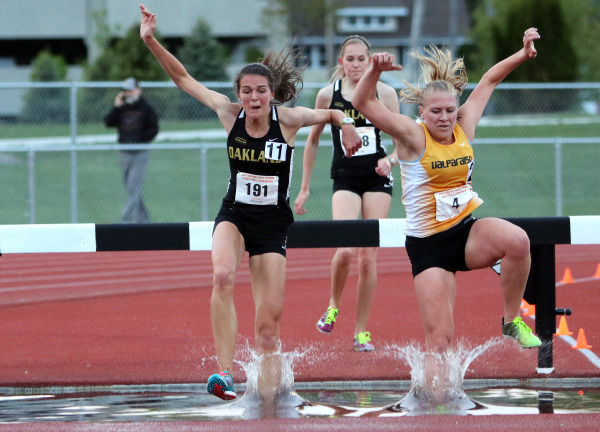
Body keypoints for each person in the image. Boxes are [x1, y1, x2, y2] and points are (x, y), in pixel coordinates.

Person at [139, 4, 361, 402]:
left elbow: (331, 112)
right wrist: (152, 41)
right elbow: (184, 79)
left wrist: (345, 128)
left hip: (273, 225)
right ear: (239, 94)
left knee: (267, 329)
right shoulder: (229, 114)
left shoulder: (288, 120)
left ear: (271, 94)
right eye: (247, 91)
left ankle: (271, 397)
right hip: (235, 216)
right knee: (222, 275)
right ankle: (224, 371)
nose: (254, 98)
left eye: (261, 91)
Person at [352, 28, 543, 356]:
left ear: (457, 110)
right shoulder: (412, 136)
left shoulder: (463, 124)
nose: (444, 118)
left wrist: (523, 53)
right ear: (422, 113)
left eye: (449, 111)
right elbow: (362, 102)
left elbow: (489, 81)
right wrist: (373, 71)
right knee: (441, 341)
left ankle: (512, 319)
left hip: (466, 233)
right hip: (428, 247)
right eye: (436, 111)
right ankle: (432, 397)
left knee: (518, 241)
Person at [294, 35, 400, 352]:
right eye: (350, 59)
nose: (355, 65)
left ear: (369, 62)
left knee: (368, 259)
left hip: (377, 179)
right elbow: (311, 141)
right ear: (341, 63)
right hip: (345, 178)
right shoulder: (328, 96)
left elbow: (404, 141)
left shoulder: (385, 93)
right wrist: (304, 188)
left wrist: (389, 160)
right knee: (344, 250)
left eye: (361, 59)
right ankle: (333, 304)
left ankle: (362, 331)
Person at [104, 77, 158, 223]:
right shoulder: (122, 108)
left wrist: (140, 139)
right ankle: (145, 222)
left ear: (138, 90)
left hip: (140, 152)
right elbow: (108, 122)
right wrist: (116, 106)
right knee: (131, 188)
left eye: (130, 90)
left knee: (134, 186)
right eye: (125, 91)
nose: (128, 93)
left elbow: (154, 129)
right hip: (124, 152)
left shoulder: (146, 108)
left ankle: (125, 219)